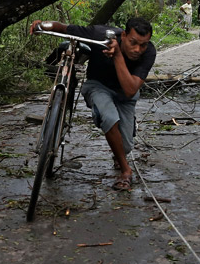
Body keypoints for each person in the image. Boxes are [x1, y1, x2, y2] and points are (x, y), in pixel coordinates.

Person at [30, 17, 156, 191]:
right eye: (133, 42)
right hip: (98, 86)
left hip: (125, 94)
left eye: (143, 45)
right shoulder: (100, 35)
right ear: (124, 35)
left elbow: (130, 90)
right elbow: (66, 29)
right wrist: (43, 25)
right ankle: (126, 171)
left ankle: (120, 150)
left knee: (125, 147)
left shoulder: (149, 52)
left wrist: (117, 55)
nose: (137, 50)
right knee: (109, 117)